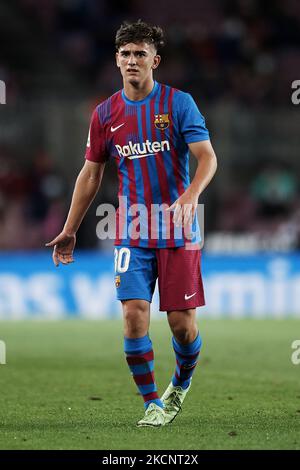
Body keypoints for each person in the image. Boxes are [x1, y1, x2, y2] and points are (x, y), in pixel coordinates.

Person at [46, 20, 217, 427]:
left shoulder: (178, 103)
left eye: (140, 53)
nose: (132, 60)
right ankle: (151, 403)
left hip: (177, 226)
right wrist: (70, 229)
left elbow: (207, 157)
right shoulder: (105, 114)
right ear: (116, 61)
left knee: (181, 325)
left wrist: (191, 194)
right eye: (125, 54)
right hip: (133, 228)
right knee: (134, 314)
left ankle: (181, 382)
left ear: (154, 60)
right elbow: (90, 175)